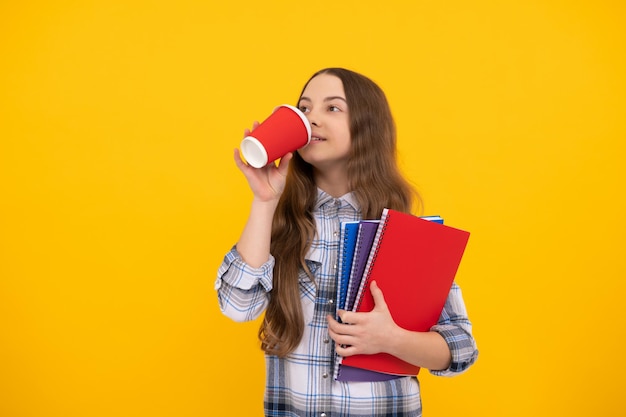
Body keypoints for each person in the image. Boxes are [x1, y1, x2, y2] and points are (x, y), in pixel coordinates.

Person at [215, 67, 478, 417]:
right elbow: (236, 306)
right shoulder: (280, 227)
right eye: (304, 108)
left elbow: (461, 348)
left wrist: (392, 340)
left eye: (332, 108)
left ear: (367, 127)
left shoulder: (407, 235)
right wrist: (264, 202)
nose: (311, 120)